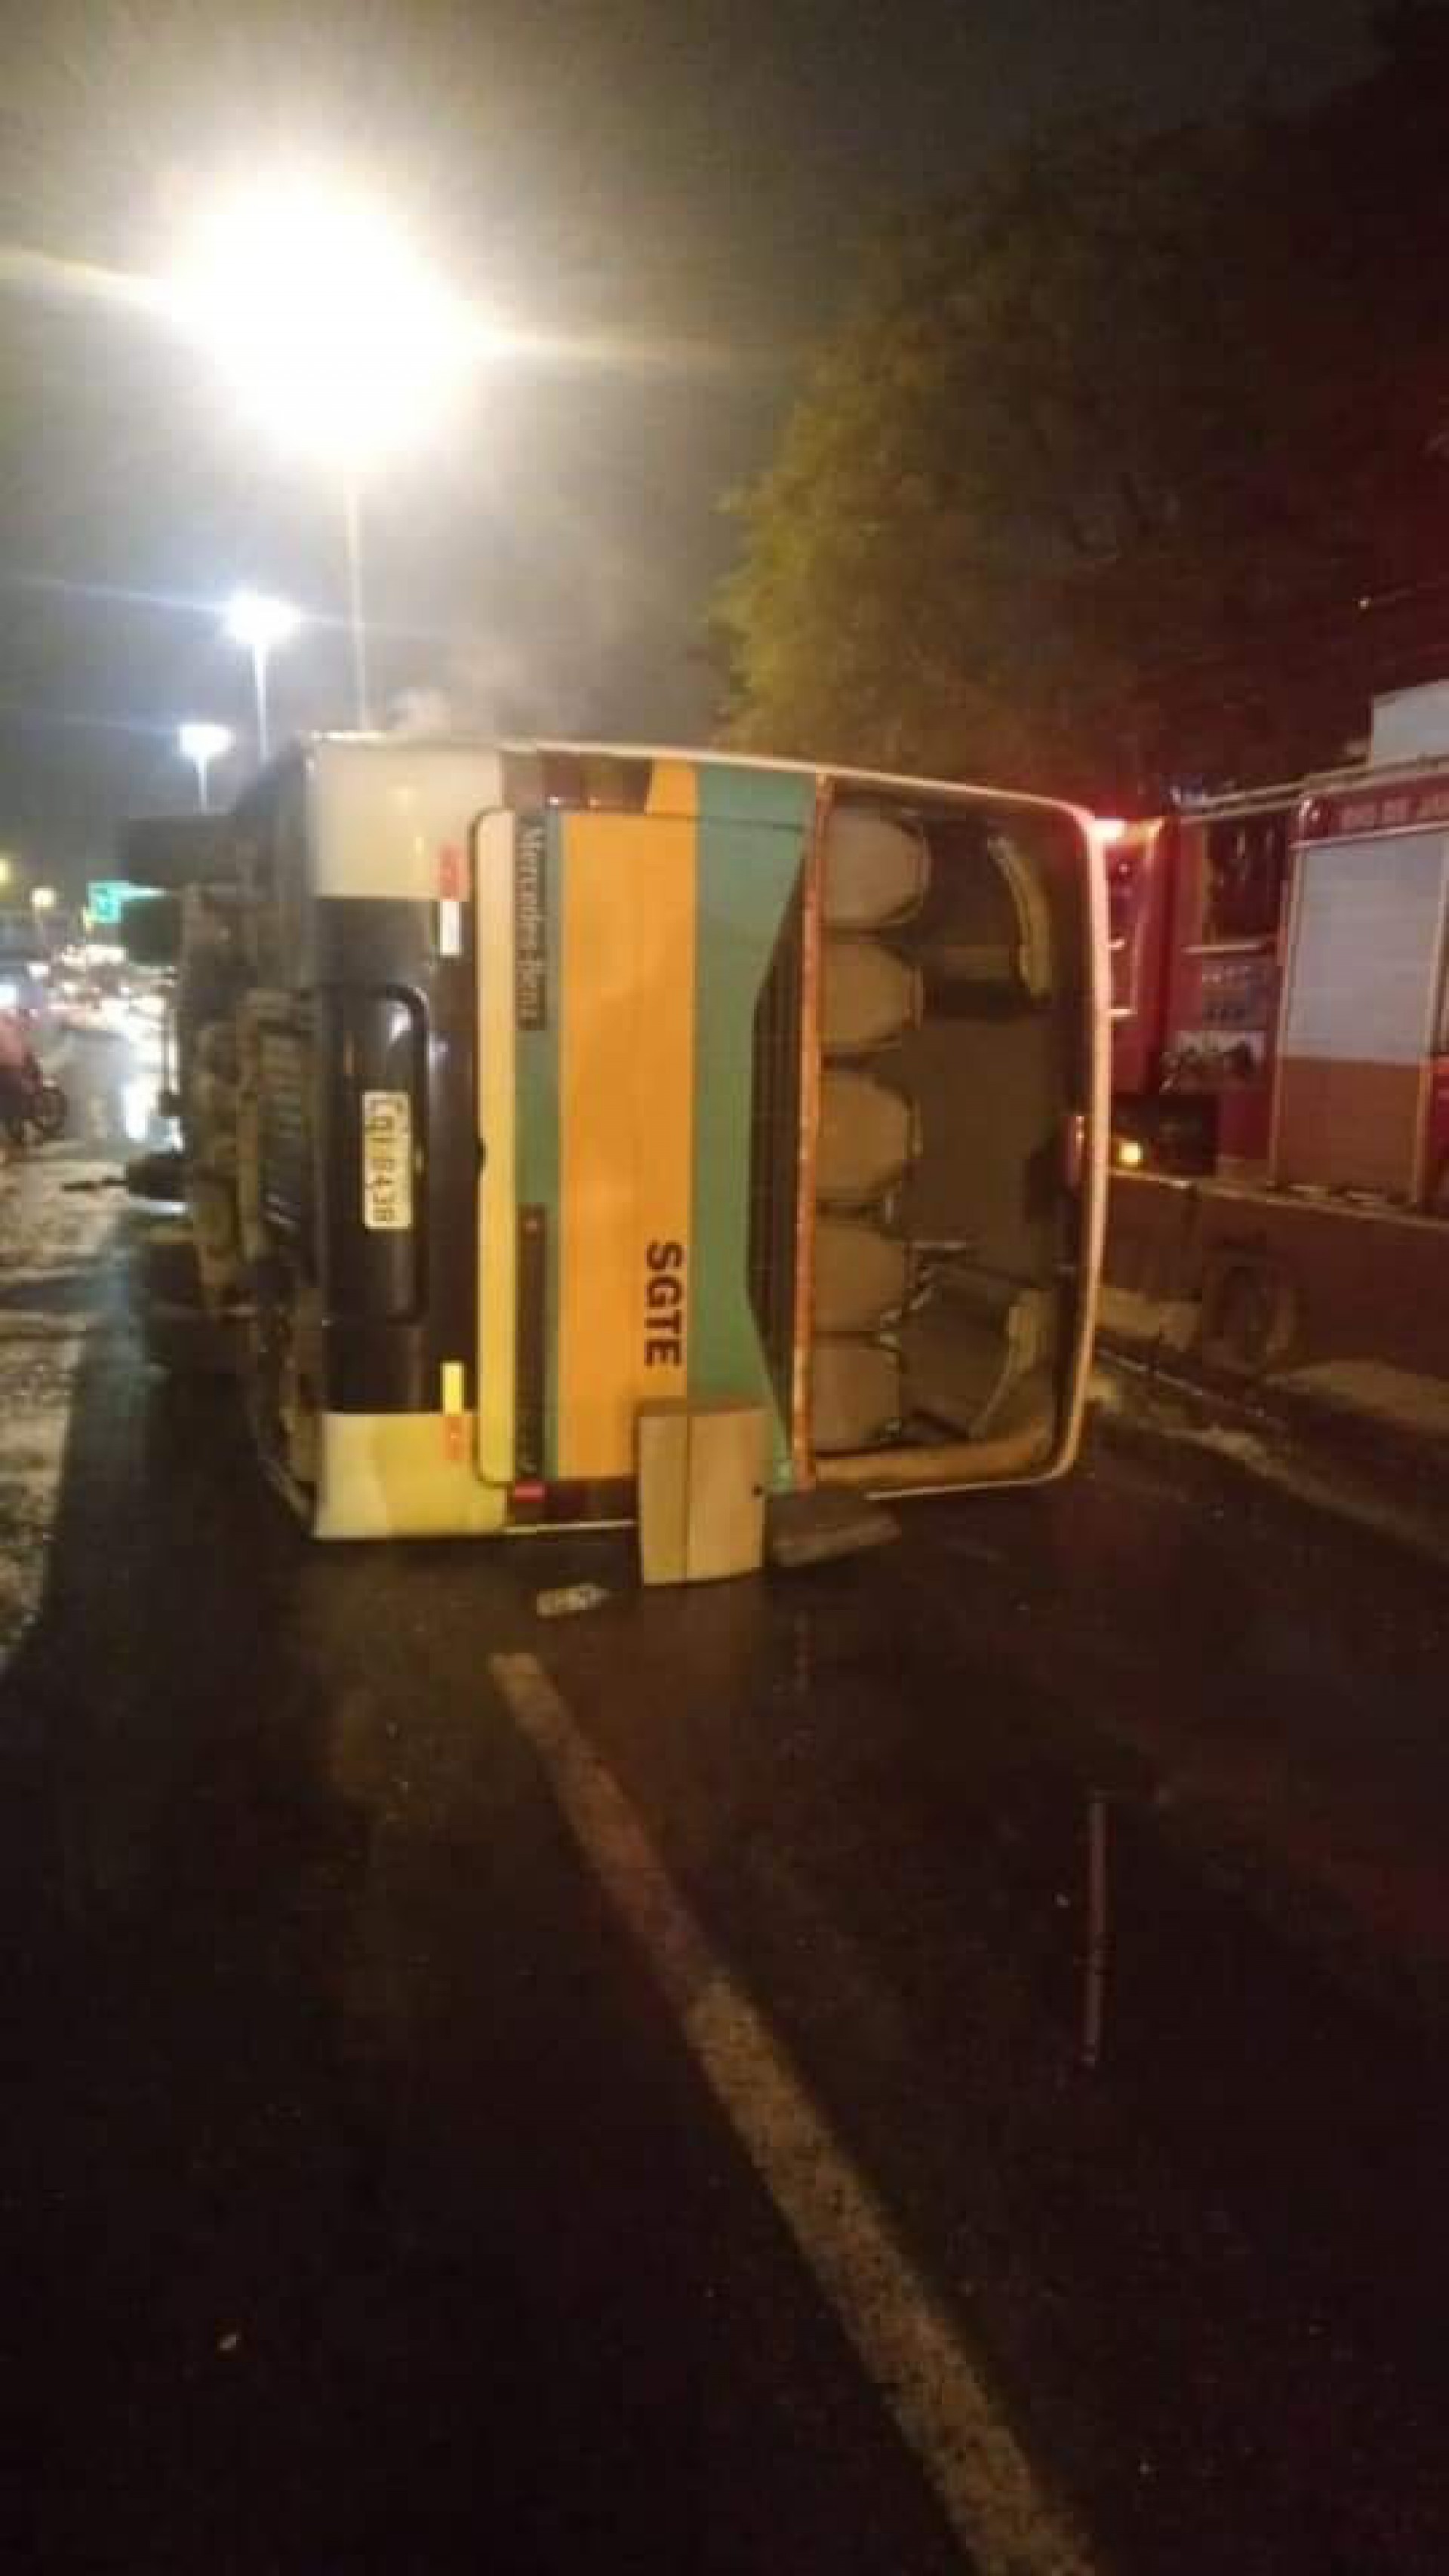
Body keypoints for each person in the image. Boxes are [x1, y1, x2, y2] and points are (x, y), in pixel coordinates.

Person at [0, 1007, 36, 1145]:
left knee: (12, 1099)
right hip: (8, 1068)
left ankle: (15, 1131)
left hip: (12, 1067)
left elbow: (23, 1047)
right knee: (17, 1096)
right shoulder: (8, 1027)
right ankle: (16, 1132)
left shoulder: (11, 1026)